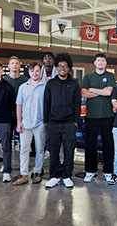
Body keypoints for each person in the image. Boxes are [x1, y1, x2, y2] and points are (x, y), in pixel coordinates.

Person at [44, 53, 81, 188]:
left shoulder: (74, 84)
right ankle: (54, 176)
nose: (62, 68)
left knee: (69, 151)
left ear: (69, 68)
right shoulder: (51, 84)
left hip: (69, 124)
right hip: (53, 123)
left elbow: (78, 104)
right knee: (53, 151)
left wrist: (75, 122)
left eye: (65, 66)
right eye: (60, 66)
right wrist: (46, 121)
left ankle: (66, 176)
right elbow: (46, 103)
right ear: (56, 67)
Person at [81, 53, 115, 183]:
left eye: (103, 60)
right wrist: (102, 91)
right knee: (90, 145)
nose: (100, 62)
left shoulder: (110, 76)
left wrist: (93, 90)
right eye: (98, 60)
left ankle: (108, 172)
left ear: (105, 63)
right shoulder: (88, 76)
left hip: (107, 116)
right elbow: (83, 93)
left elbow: (109, 92)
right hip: (91, 116)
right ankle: (90, 171)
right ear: (94, 63)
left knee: (108, 145)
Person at [13, 62, 46, 185]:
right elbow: (19, 105)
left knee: (40, 149)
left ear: (40, 72)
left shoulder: (45, 86)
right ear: (28, 72)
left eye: (37, 71)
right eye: (32, 71)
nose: (35, 73)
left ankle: (37, 172)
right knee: (24, 149)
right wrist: (19, 122)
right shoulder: (23, 87)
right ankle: (24, 174)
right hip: (25, 123)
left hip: (40, 123)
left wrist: (45, 121)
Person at [3, 56, 28, 154]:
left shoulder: (25, 80)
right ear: (8, 66)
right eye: (12, 63)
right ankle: (6, 164)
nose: (14, 65)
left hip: (22, 115)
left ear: (20, 65)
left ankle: (24, 163)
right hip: (7, 115)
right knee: (6, 140)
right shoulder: (3, 80)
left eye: (16, 63)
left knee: (23, 140)